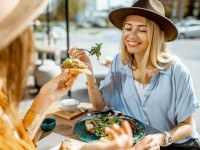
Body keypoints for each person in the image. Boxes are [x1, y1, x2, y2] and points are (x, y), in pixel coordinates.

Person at [0, 0, 158, 150]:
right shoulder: (119, 62)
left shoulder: (3, 98)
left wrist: (45, 97)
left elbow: (18, 140)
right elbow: (99, 105)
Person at [69, 0, 200, 149]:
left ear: (157, 34)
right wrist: (89, 71)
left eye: (142, 30)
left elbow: (187, 125)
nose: (131, 36)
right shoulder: (119, 63)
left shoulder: (177, 72)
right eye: (128, 28)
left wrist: (162, 138)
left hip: (176, 144)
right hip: (139, 144)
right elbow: (99, 106)